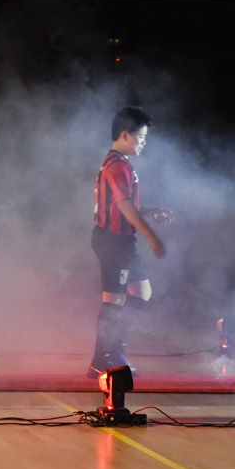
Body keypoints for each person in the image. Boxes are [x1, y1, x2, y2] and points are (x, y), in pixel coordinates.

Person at [89, 106, 171, 378]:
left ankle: (113, 351)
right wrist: (152, 237)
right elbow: (124, 207)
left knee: (140, 293)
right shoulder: (117, 165)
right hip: (114, 241)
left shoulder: (118, 163)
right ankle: (102, 359)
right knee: (114, 300)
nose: (144, 143)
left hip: (121, 241)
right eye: (141, 137)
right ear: (125, 135)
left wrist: (149, 211)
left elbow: (122, 204)